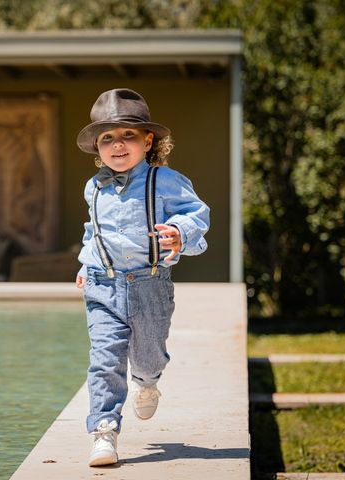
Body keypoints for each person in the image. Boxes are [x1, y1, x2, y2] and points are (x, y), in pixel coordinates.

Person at [75, 88, 210, 467]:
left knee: (148, 356)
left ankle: (148, 382)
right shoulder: (95, 187)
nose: (117, 145)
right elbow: (94, 231)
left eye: (127, 136)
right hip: (103, 285)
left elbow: (196, 213)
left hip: (149, 285)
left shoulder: (164, 180)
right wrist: (87, 265)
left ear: (147, 141)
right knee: (104, 360)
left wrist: (180, 233)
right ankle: (104, 431)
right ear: (97, 148)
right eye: (107, 138)